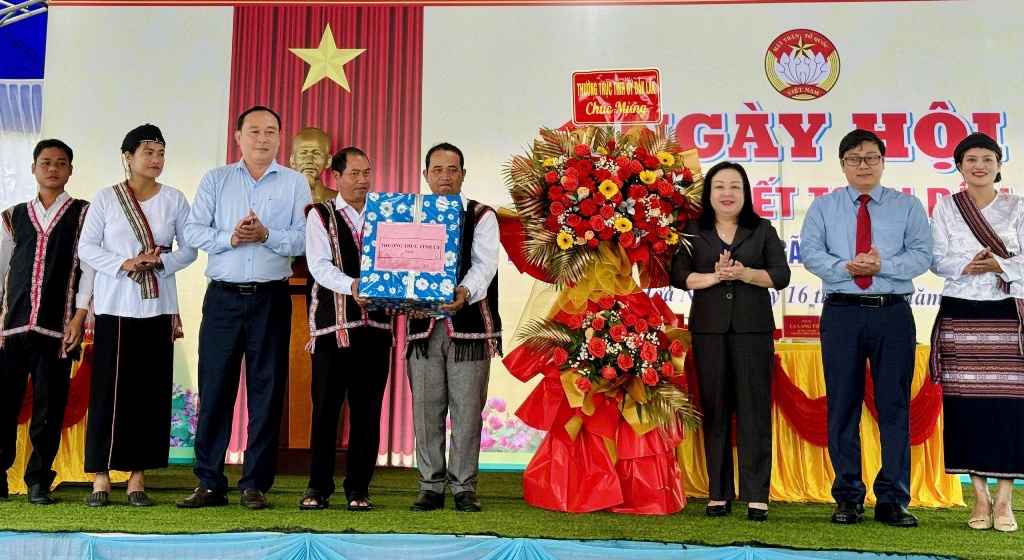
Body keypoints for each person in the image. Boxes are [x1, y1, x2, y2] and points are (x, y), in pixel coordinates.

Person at [179, 105, 312, 510]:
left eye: (271, 131)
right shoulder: (216, 179)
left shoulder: (294, 184)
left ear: (279, 139)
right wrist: (231, 238)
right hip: (222, 298)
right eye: (254, 131)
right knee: (215, 390)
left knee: (266, 393)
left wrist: (267, 234)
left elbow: (307, 238)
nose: (262, 138)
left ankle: (254, 484)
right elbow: (193, 230)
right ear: (238, 137)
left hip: (271, 298)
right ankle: (209, 482)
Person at [801, 129, 932, 527]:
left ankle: (892, 498)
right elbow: (810, 252)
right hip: (842, 313)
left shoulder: (907, 206)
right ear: (842, 164)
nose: (864, 165)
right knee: (842, 406)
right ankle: (848, 497)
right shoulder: (823, 207)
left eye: (871, 158)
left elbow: (922, 255)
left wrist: (882, 267)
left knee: (894, 405)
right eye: (855, 159)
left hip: (891, 313)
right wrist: (845, 267)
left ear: (883, 162)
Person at [78, 124, 197, 507]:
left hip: (158, 306)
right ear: (127, 157)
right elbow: (87, 247)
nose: (155, 160)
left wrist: (160, 262)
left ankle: (137, 476)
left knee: (149, 392)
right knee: (110, 392)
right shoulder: (107, 198)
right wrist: (126, 262)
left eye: (160, 153)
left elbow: (190, 249)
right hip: (115, 305)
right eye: (147, 152)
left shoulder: (175, 199)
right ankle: (100, 475)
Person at [670, 161, 790, 522]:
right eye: (719, 186)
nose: (727, 193)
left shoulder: (762, 229)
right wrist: (713, 277)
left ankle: (757, 495)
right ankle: (718, 493)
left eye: (734, 186)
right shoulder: (693, 230)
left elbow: (781, 276)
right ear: (709, 194)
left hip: (752, 331)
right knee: (716, 410)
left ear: (745, 192)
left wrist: (745, 273)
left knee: (754, 412)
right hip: (708, 331)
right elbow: (676, 275)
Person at [929, 132, 1022, 533]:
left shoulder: (1017, 207)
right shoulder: (946, 207)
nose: (979, 165)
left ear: (999, 165)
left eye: (987, 158)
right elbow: (936, 256)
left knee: (1008, 409)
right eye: (971, 159)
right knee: (966, 406)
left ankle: (1005, 501)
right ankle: (979, 498)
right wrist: (970, 263)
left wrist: (999, 266)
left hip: (1005, 314)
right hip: (960, 313)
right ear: (960, 166)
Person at [405, 142, 501, 512]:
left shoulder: (481, 216)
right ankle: (430, 486)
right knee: (426, 408)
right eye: (437, 170)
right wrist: (404, 298)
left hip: (469, 328)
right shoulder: (407, 217)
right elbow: (398, 264)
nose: (445, 176)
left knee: (466, 409)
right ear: (426, 175)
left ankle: (464, 488)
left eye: (453, 169)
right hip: (423, 327)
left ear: (463, 174)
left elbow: (484, 265)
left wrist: (463, 291)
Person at [299, 147, 393, 511]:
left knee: (368, 412)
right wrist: (353, 285)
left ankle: (358, 488)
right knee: (325, 410)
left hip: (376, 328)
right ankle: (317, 486)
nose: (363, 181)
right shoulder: (319, 215)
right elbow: (318, 266)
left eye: (367, 173)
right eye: (354, 174)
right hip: (332, 328)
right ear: (334, 178)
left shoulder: (389, 215)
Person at [0, 139, 93, 505]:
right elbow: (2, 268)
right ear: (34, 168)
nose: (53, 168)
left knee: (49, 408)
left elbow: (89, 269)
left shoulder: (83, 214)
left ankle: (39, 479)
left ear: (70, 169)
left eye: (61, 162)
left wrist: (80, 315)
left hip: (58, 329)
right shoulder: (13, 216)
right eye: (46, 162)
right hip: (11, 329)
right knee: (2, 406)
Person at [289, 127, 335, 204]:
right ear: (293, 160)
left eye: (316, 154)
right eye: (303, 153)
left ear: (328, 161)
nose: (309, 161)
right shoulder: (279, 198)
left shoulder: (339, 200)